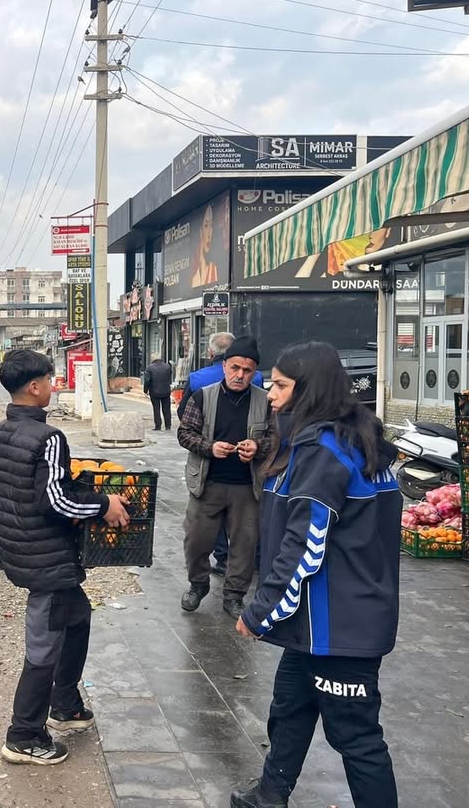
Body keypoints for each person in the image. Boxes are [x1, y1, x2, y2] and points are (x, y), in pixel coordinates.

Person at [230, 342, 400, 808]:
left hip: (339, 625)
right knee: (290, 708)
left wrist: (260, 611)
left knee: (356, 737)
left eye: (281, 385)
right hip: (314, 622)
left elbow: (304, 546)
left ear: (310, 390)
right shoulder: (348, 438)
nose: (270, 392)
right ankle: (269, 794)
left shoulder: (326, 451)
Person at [0, 349, 130, 766]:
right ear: (34, 387)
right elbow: (55, 501)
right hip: (46, 558)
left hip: (27, 550)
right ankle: (24, 735)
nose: (55, 386)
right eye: (50, 380)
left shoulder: (2, 431)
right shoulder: (48, 438)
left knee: (78, 616)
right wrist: (103, 505)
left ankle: (64, 702)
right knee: (43, 644)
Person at [177, 335, 270, 618]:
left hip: (247, 487)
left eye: (247, 370)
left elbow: (278, 439)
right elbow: (184, 433)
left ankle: (234, 595)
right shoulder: (203, 396)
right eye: (235, 368)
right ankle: (198, 584)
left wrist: (257, 447)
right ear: (225, 365)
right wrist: (209, 447)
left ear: (254, 372)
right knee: (196, 541)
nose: (240, 375)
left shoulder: (265, 401)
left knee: (244, 545)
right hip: (208, 484)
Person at [143, 353, 173, 431]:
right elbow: (169, 378)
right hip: (166, 391)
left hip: (154, 391)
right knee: (166, 409)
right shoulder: (167, 366)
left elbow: (147, 380)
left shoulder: (149, 368)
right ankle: (168, 425)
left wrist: (145, 390)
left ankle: (158, 425)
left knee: (156, 409)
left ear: (152, 359)